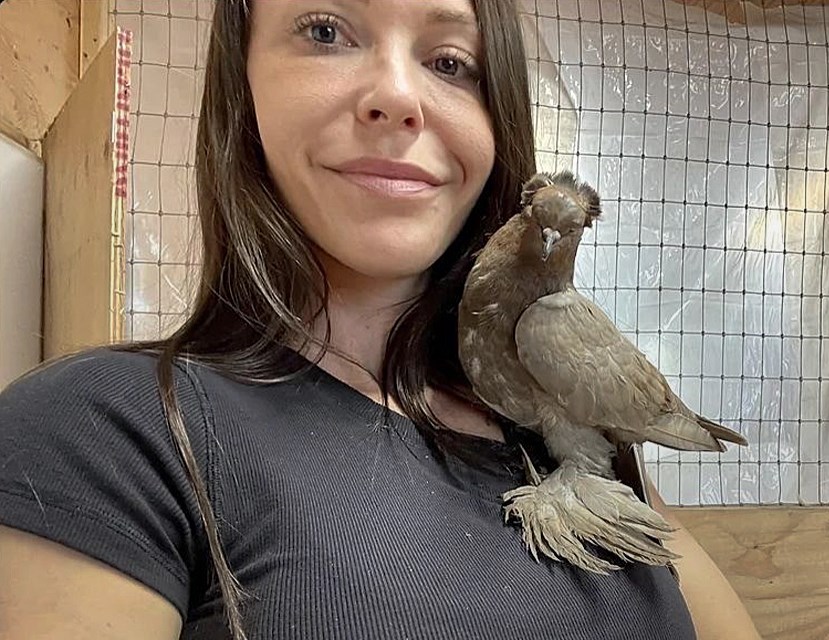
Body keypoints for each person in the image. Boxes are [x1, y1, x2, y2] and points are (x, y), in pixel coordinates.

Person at [0, 1, 761, 639]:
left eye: (452, 62)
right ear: (242, 85)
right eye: (326, 30)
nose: (399, 96)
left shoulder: (565, 429)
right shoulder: (104, 434)